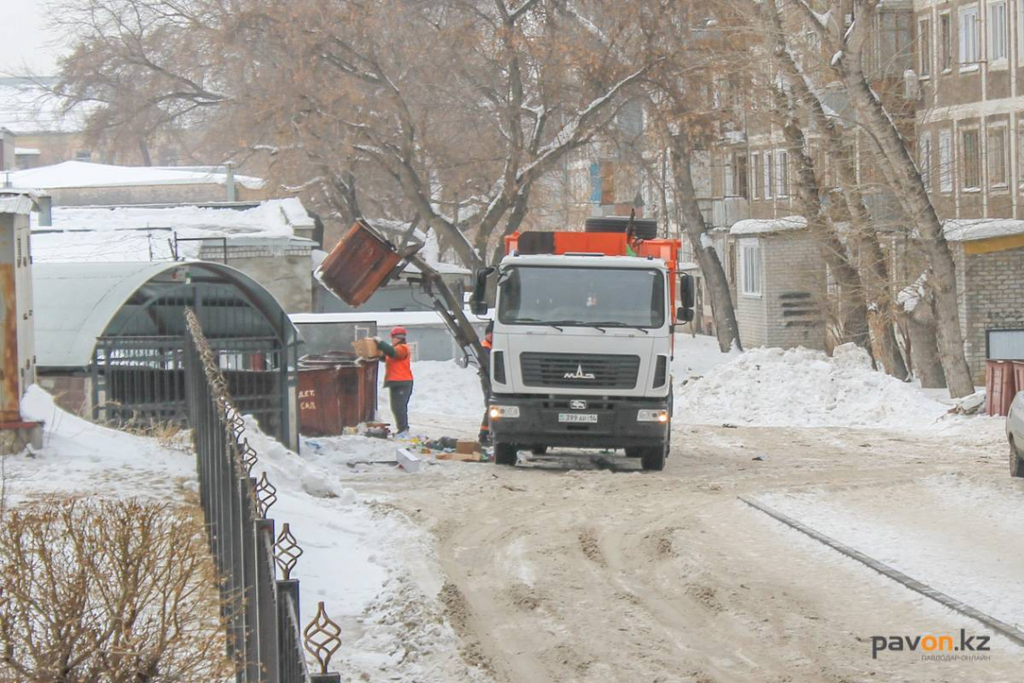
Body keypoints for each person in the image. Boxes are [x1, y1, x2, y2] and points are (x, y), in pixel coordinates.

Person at [376, 326, 413, 438]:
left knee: (399, 407)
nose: (391, 340)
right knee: (396, 407)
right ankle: (402, 429)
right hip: (397, 382)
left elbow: (392, 353)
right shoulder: (396, 349)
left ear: (398, 338)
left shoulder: (402, 348)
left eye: (392, 338)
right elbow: (387, 356)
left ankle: (403, 430)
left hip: (402, 382)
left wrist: (380, 343)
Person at [478, 321, 494, 445]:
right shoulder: (485, 347)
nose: (492, 336)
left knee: (490, 406)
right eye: (490, 334)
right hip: (487, 378)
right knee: (490, 405)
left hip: (490, 378)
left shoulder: (491, 345)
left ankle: (487, 432)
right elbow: (488, 365)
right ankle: (484, 434)